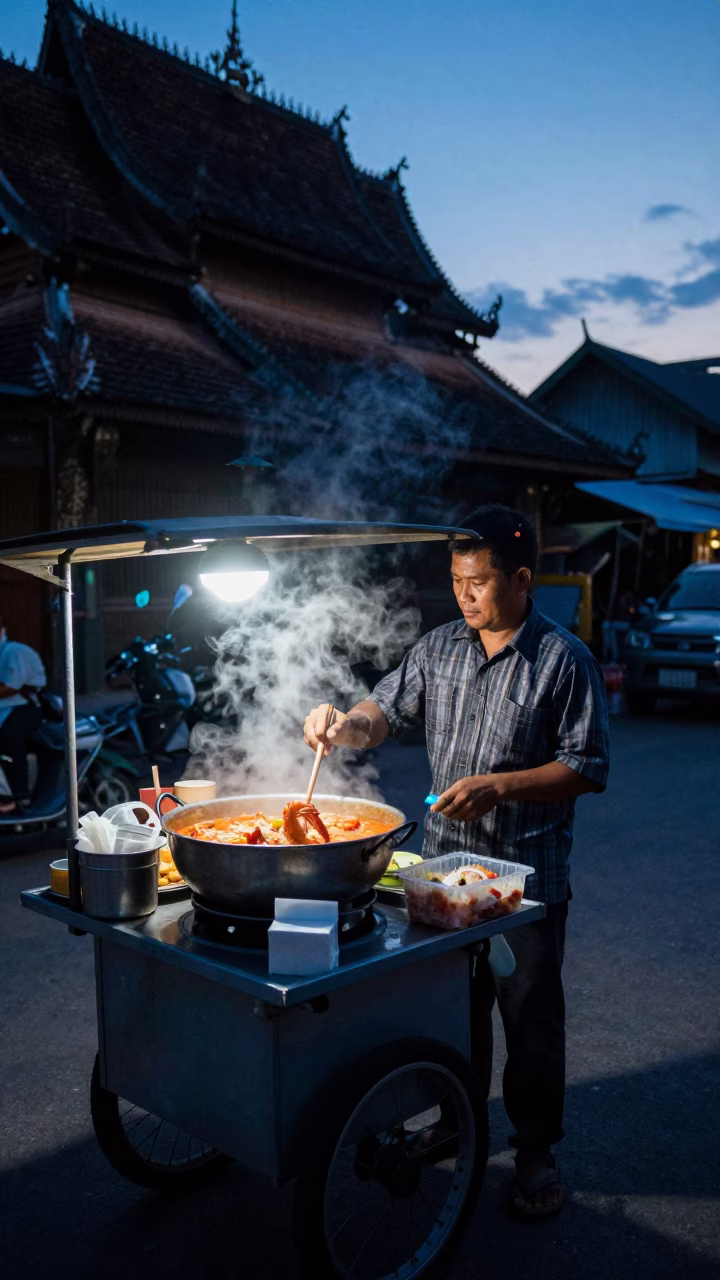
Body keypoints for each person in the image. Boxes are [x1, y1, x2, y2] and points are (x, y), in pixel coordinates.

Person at [304, 504, 610, 1221]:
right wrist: (344, 724)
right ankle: (456, 1115)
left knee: (528, 1018)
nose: (464, 595)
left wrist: (501, 786)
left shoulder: (565, 660)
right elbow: (385, 709)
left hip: (525, 879)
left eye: (478, 582)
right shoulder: (439, 648)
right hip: (443, 871)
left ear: (522, 578)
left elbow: (587, 766)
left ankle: (534, 1150)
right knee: (449, 1008)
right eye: (456, 580)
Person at [0, 616, 46, 814]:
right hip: (4, 709)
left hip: (24, 708)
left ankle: (18, 796)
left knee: (9, 738)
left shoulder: (14, 652)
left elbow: (10, 687)